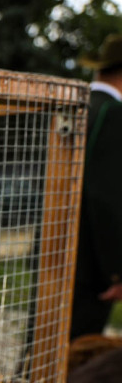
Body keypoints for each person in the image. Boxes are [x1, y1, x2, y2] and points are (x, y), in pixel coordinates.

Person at [70, 34, 122, 339]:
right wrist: (116, 271)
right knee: (77, 349)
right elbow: (107, 196)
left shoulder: (75, 106)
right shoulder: (112, 114)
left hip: (52, 246)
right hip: (89, 263)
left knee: (43, 348)